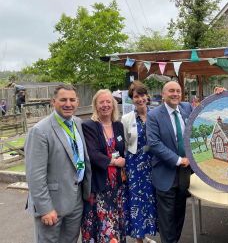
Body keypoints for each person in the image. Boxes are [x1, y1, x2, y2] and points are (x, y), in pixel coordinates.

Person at [147, 82, 224, 243]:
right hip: (165, 173)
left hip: (185, 174)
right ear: (163, 94)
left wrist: (217, 96)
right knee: (167, 219)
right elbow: (154, 144)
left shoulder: (187, 107)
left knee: (179, 214)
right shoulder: (154, 115)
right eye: (171, 91)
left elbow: (205, 115)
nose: (175, 94)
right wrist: (178, 160)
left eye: (178, 91)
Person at [24, 83, 92, 243]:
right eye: (63, 100)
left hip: (76, 200)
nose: (68, 104)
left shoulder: (78, 123)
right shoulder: (40, 131)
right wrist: (45, 209)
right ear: (53, 101)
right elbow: (35, 176)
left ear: (77, 101)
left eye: (72, 100)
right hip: (52, 203)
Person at [81, 89, 126, 242]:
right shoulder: (90, 126)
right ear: (96, 106)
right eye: (101, 102)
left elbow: (122, 150)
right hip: (99, 186)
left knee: (115, 223)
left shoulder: (118, 126)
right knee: (100, 225)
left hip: (116, 186)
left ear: (113, 105)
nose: (105, 105)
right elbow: (92, 154)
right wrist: (114, 162)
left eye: (108, 102)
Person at [122, 81, 158, 243]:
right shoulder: (126, 119)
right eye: (136, 96)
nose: (140, 99)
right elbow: (123, 144)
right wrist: (123, 168)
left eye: (142, 95)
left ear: (147, 96)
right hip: (135, 164)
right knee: (136, 200)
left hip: (153, 163)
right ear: (131, 99)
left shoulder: (155, 115)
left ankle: (146, 234)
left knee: (151, 199)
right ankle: (139, 239)